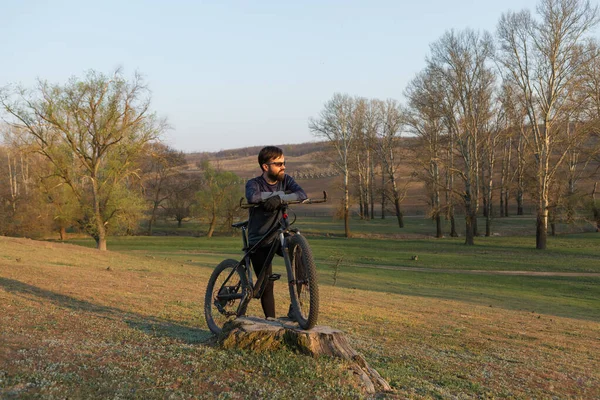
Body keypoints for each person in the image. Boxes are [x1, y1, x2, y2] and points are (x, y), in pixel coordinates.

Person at [245, 146, 307, 319]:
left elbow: (302, 194)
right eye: (279, 163)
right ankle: (270, 321)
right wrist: (277, 196)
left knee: (300, 253)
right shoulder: (254, 183)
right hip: (260, 238)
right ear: (266, 166)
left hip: (280, 233)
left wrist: (280, 198)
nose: (283, 167)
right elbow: (253, 198)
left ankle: (296, 307)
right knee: (266, 285)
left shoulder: (286, 179)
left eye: (284, 162)